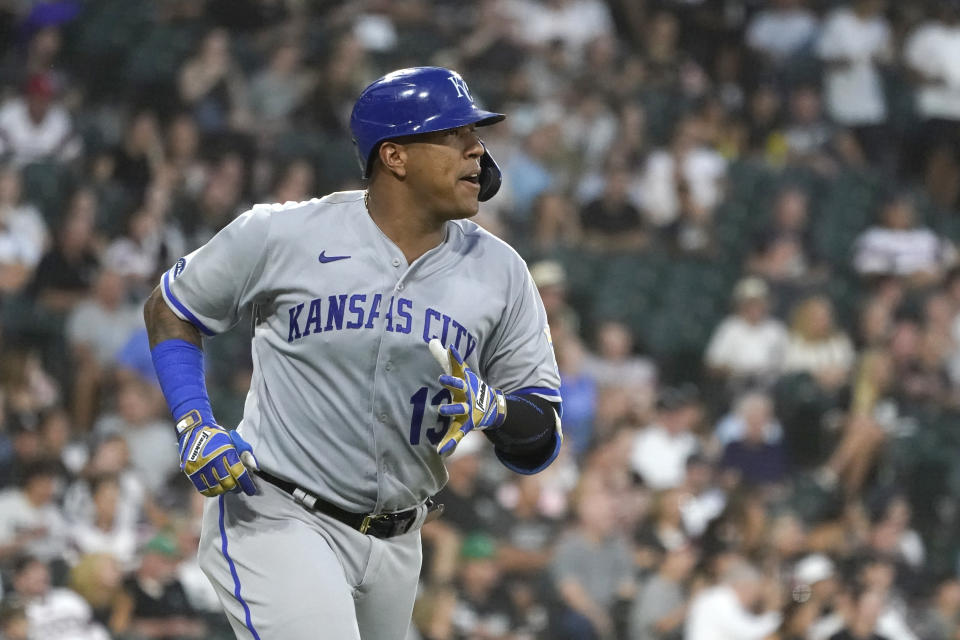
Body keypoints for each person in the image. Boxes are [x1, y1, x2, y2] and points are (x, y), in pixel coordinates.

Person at [143, 66, 563, 640]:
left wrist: (500, 413)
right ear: (395, 156)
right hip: (278, 511)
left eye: (477, 136)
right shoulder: (284, 233)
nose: (478, 151)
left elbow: (542, 434)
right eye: (455, 135)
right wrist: (195, 421)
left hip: (397, 542)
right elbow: (172, 306)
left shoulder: (503, 272)